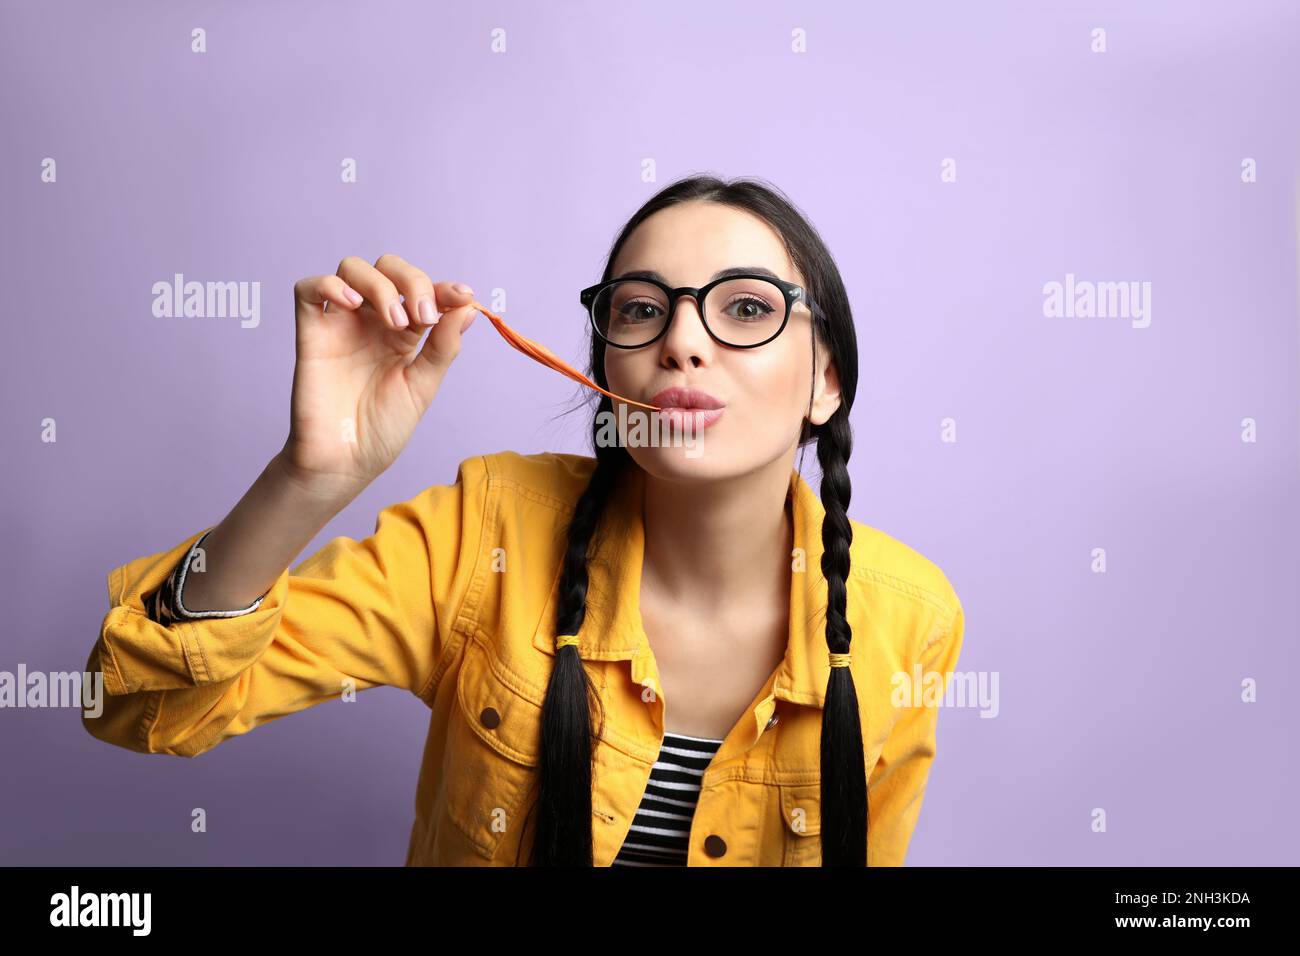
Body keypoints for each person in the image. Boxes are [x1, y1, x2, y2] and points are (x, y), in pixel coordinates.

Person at [83, 174, 965, 867]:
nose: (683, 342)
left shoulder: (910, 619)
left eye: (746, 307)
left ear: (828, 381)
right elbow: (136, 706)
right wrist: (310, 477)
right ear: (605, 372)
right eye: (642, 309)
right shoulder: (486, 531)